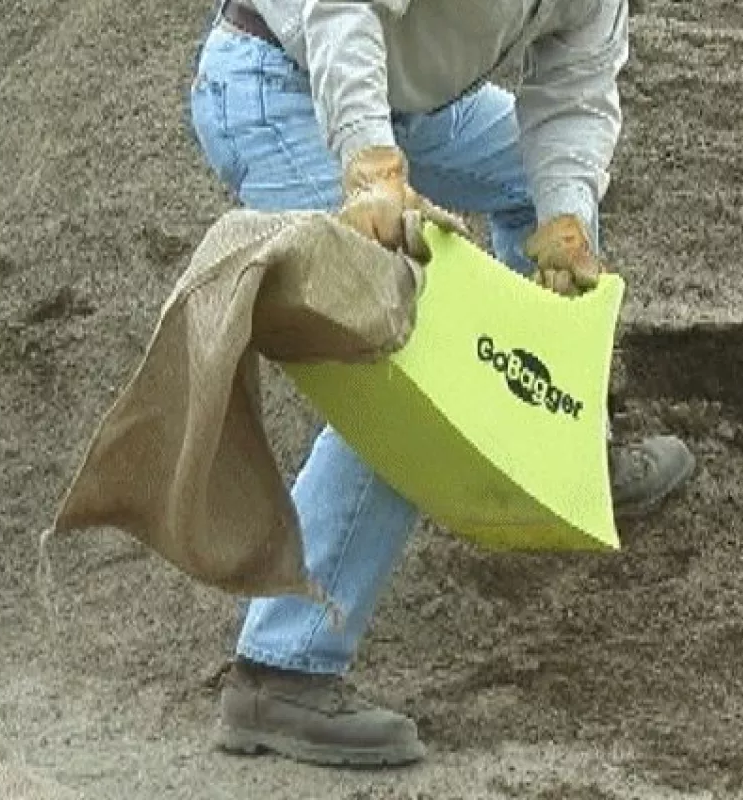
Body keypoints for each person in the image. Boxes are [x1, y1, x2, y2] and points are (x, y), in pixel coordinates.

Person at [188, 0, 696, 768]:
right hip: (281, 82)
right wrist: (368, 164)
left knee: (551, 194)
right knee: (403, 356)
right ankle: (280, 675)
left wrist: (565, 220)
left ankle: (559, 451)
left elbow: (575, 88)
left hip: (416, 103)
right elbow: (339, 9)